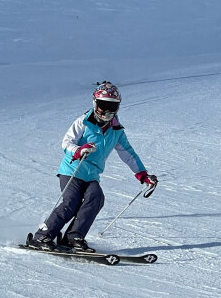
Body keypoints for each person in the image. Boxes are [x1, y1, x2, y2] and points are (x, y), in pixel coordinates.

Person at [29, 82, 157, 251]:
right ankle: (42, 236)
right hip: (72, 169)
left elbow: (128, 153)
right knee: (72, 201)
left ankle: (74, 236)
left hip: (92, 174)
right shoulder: (83, 121)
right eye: (104, 105)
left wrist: (142, 174)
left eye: (112, 106)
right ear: (95, 104)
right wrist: (78, 150)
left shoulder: (117, 130)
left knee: (96, 198)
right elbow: (67, 142)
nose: (107, 111)